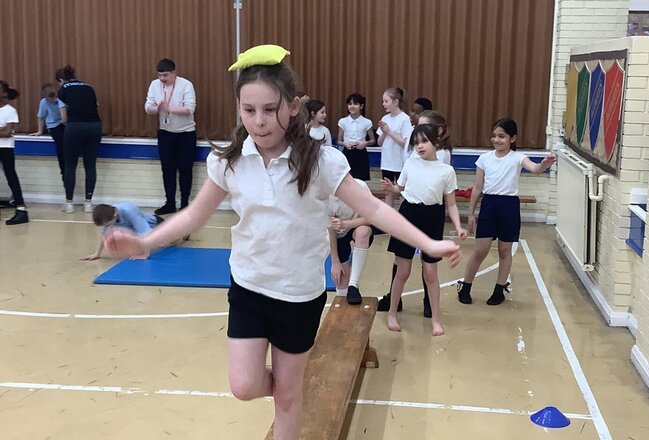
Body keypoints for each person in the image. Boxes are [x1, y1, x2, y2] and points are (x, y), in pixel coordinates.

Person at [102, 45, 461, 440]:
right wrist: (144, 243)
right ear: (238, 108)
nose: (259, 121)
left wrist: (428, 241)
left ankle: (292, 391)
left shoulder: (321, 161)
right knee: (243, 385)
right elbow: (193, 214)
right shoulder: (229, 161)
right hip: (249, 288)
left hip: (298, 296)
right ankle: (291, 383)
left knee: (289, 397)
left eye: (270, 109)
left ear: (292, 107)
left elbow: (374, 211)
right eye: (249, 110)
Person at [457, 118, 555, 306]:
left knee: (504, 250)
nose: (497, 140)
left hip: (509, 206)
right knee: (480, 250)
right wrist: (470, 214)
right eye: (494, 136)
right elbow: (477, 188)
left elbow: (535, 168)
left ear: (512, 138)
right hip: (489, 204)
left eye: (502, 136)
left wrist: (544, 164)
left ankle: (499, 289)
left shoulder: (518, 157)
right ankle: (466, 285)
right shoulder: (484, 159)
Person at [381, 124, 467, 336]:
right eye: (416, 142)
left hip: (433, 217)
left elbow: (451, 204)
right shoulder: (410, 163)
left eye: (424, 141)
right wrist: (392, 189)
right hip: (409, 214)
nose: (419, 146)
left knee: (430, 273)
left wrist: (458, 226)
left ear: (435, 142)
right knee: (403, 271)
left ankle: (436, 319)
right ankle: (392, 312)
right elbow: (400, 189)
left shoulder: (447, 171)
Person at [144, 58, 197, 215]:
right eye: (160, 75)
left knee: (185, 169)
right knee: (167, 170)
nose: (162, 79)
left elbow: (190, 108)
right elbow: (148, 107)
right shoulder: (155, 85)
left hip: (186, 134)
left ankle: (185, 203)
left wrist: (169, 108)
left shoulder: (186, 85)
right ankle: (170, 203)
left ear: (174, 73)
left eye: (165, 75)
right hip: (165, 133)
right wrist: (156, 108)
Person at [56, 65, 102, 214]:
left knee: (70, 165)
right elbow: (96, 106)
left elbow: (64, 118)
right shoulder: (89, 87)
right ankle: (88, 203)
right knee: (90, 165)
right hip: (95, 126)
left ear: (61, 80)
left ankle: (69, 203)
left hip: (74, 126)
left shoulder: (63, 89)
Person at [328, 178, 374, 305]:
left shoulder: (360, 186)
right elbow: (330, 231)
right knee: (341, 278)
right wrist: (335, 262)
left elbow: (371, 217)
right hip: (337, 235)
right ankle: (342, 304)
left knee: (363, 232)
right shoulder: (324, 195)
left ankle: (354, 285)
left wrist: (345, 224)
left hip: (356, 225)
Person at [81, 203, 164, 261]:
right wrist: (96, 254)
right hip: (133, 229)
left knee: (169, 241)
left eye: (106, 224)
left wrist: (145, 255)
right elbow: (104, 235)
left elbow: (145, 233)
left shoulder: (129, 211)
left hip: (155, 224)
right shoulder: (108, 214)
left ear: (114, 216)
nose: (106, 226)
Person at [377, 87, 413, 207]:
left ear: (396, 102)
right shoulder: (385, 118)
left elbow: (405, 143)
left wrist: (389, 131)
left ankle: (403, 218)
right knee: (388, 191)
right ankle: (389, 219)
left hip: (399, 162)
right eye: (383, 101)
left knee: (402, 191)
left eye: (386, 101)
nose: (383, 104)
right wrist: (383, 131)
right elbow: (379, 142)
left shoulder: (405, 119)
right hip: (386, 162)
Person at [0, 81, 29, 225]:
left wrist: (4, 131)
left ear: (4, 93)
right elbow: (3, 131)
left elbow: (7, 133)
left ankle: (21, 210)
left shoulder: (10, 110)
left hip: (5, 148)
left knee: (11, 176)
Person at [31, 83, 65, 182]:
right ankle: (63, 169)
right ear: (45, 96)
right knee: (60, 144)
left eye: (54, 95)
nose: (53, 99)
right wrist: (40, 131)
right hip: (54, 125)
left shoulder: (61, 99)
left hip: (65, 123)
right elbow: (41, 117)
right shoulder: (44, 102)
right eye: (50, 97)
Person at [337, 93, 374, 181]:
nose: (352, 106)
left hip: (361, 153)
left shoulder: (367, 122)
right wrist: (344, 144)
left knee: (360, 181)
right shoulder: (343, 121)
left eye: (355, 104)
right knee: (346, 180)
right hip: (347, 153)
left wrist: (365, 143)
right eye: (350, 104)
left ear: (361, 106)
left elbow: (373, 140)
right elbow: (339, 140)